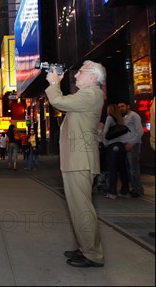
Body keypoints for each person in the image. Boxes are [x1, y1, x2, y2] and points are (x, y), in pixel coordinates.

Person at [45, 60, 106, 268]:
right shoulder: (86, 95)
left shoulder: (92, 94)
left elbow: (59, 102)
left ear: (92, 77)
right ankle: (86, 248)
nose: (76, 75)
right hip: (76, 160)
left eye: (81, 72)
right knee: (77, 208)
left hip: (81, 160)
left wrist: (54, 83)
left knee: (82, 208)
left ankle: (93, 254)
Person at [102, 104, 130, 199]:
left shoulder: (109, 118)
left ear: (110, 110)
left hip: (113, 146)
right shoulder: (121, 119)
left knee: (112, 169)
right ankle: (125, 191)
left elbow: (105, 131)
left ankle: (112, 192)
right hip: (121, 146)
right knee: (123, 169)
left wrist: (105, 142)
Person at [118, 100, 144, 198]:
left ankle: (137, 190)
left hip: (133, 145)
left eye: (122, 106)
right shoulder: (124, 117)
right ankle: (134, 188)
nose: (121, 108)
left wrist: (131, 143)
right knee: (128, 169)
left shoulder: (134, 116)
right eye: (119, 107)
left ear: (128, 106)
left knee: (134, 168)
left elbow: (140, 131)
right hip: (126, 145)